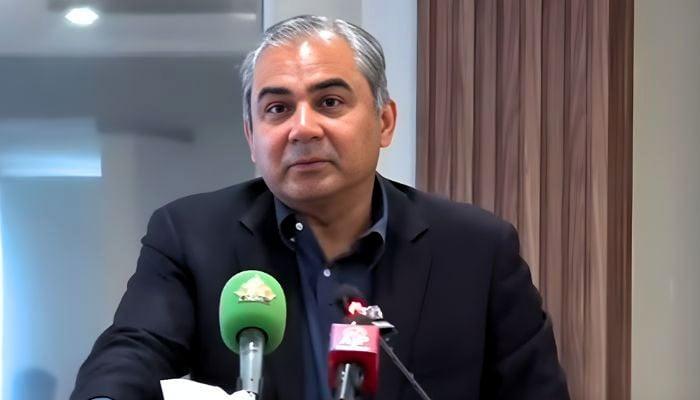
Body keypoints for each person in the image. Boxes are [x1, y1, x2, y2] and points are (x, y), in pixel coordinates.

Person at [71, 15, 569, 400]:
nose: (303, 128)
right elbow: (131, 352)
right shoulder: (190, 235)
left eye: (329, 102)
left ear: (384, 122)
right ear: (251, 136)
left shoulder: (477, 250)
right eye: (277, 109)